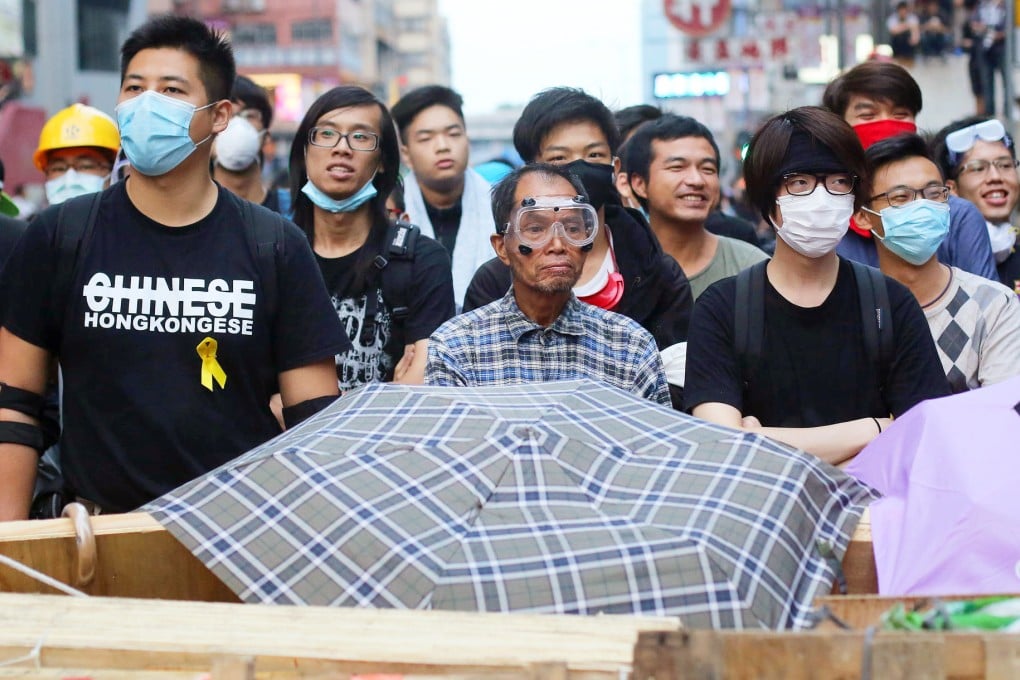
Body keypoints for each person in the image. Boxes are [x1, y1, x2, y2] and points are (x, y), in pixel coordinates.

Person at [0, 15, 348, 520]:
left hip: (236, 536)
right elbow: (15, 406)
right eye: (134, 87)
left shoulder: (274, 246)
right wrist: (13, 552)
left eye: (171, 89)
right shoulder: (59, 236)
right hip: (96, 539)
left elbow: (314, 422)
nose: (146, 104)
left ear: (220, 115)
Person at [684, 106, 950, 465]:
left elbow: (924, 437)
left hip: (876, 513)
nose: (822, 197)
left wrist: (761, 437)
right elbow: (723, 445)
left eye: (839, 182)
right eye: (800, 183)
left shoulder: (890, 303)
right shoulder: (723, 307)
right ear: (768, 200)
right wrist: (876, 428)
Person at [464, 88, 692, 406]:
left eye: (594, 155)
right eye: (559, 159)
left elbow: (675, 387)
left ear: (614, 167)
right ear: (531, 171)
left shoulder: (657, 273)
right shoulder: (494, 281)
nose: (579, 168)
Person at [426, 163, 671, 406]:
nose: (557, 244)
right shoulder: (456, 346)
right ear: (502, 247)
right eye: (535, 228)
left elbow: (655, 441)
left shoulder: (630, 347)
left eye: (573, 228)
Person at [289, 85, 455, 390]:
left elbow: (418, 387)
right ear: (304, 149)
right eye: (326, 134)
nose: (342, 148)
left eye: (361, 137)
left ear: (382, 162)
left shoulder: (421, 258)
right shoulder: (273, 252)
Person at [856, 133, 1020, 392]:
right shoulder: (851, 308)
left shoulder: (994, 306)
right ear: (863, 217)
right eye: (901, 197)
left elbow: (1001, 412)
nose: (922, 207)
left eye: (934, 194)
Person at [822, 60, 998, 280]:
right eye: (868, 116)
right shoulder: (824, 223)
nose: (886, 126)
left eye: (900, 115)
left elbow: (987, 303)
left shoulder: (957, 216)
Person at [624, 114, 768, 300]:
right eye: (677, 167)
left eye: (707, 169)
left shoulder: (751, 266)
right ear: (639, 184)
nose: (696, 180)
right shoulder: (616, 267)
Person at [391, 86, 494, 308]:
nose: (443, 146)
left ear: (467, 139)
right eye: (426, 138)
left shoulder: (500, 208)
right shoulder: (390, 214)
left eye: (453, 134)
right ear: (406, 154)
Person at [931, 117, 1020, 291]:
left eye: (1005, 165)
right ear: (951, 188)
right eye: (978, 168)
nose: (996, 177)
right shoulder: (936, 263)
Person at [33, 103, 120, 206]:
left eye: (85, 166)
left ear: (114, 172)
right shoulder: (36, 222)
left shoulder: (131, 222)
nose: (70, 180)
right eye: (58, 168)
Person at [969, 0, 1007, 116]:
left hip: (1002, 48)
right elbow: (973, 24)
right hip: (984, 49)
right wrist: (982, 28)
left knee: (1007, 81)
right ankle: (989, 113)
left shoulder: (1007, 6)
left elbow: (1010, 27)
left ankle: (1007, 111)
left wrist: (1000, 34)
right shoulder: (981, 6)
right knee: (986, 82)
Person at [888, 1, 921, 67]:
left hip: (909, 43)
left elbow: (916, 31)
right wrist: (907, 26)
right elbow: (893, 31)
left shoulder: (912, 18)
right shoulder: (892, 19)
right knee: (898, 37)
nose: (903, 12)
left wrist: (914, 38)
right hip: (898, 43)